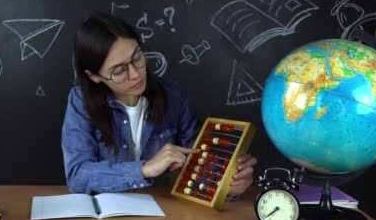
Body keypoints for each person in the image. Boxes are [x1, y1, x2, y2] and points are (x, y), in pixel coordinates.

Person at [61, 11, 257, 197]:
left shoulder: (175, 96)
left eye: (137, 57)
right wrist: (145, 169)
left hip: (164, 215)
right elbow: (78, 176)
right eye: (119, 70)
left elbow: (199, 167)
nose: (135, 74)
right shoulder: (81, 100)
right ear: (94, 76)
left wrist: (228, 185)